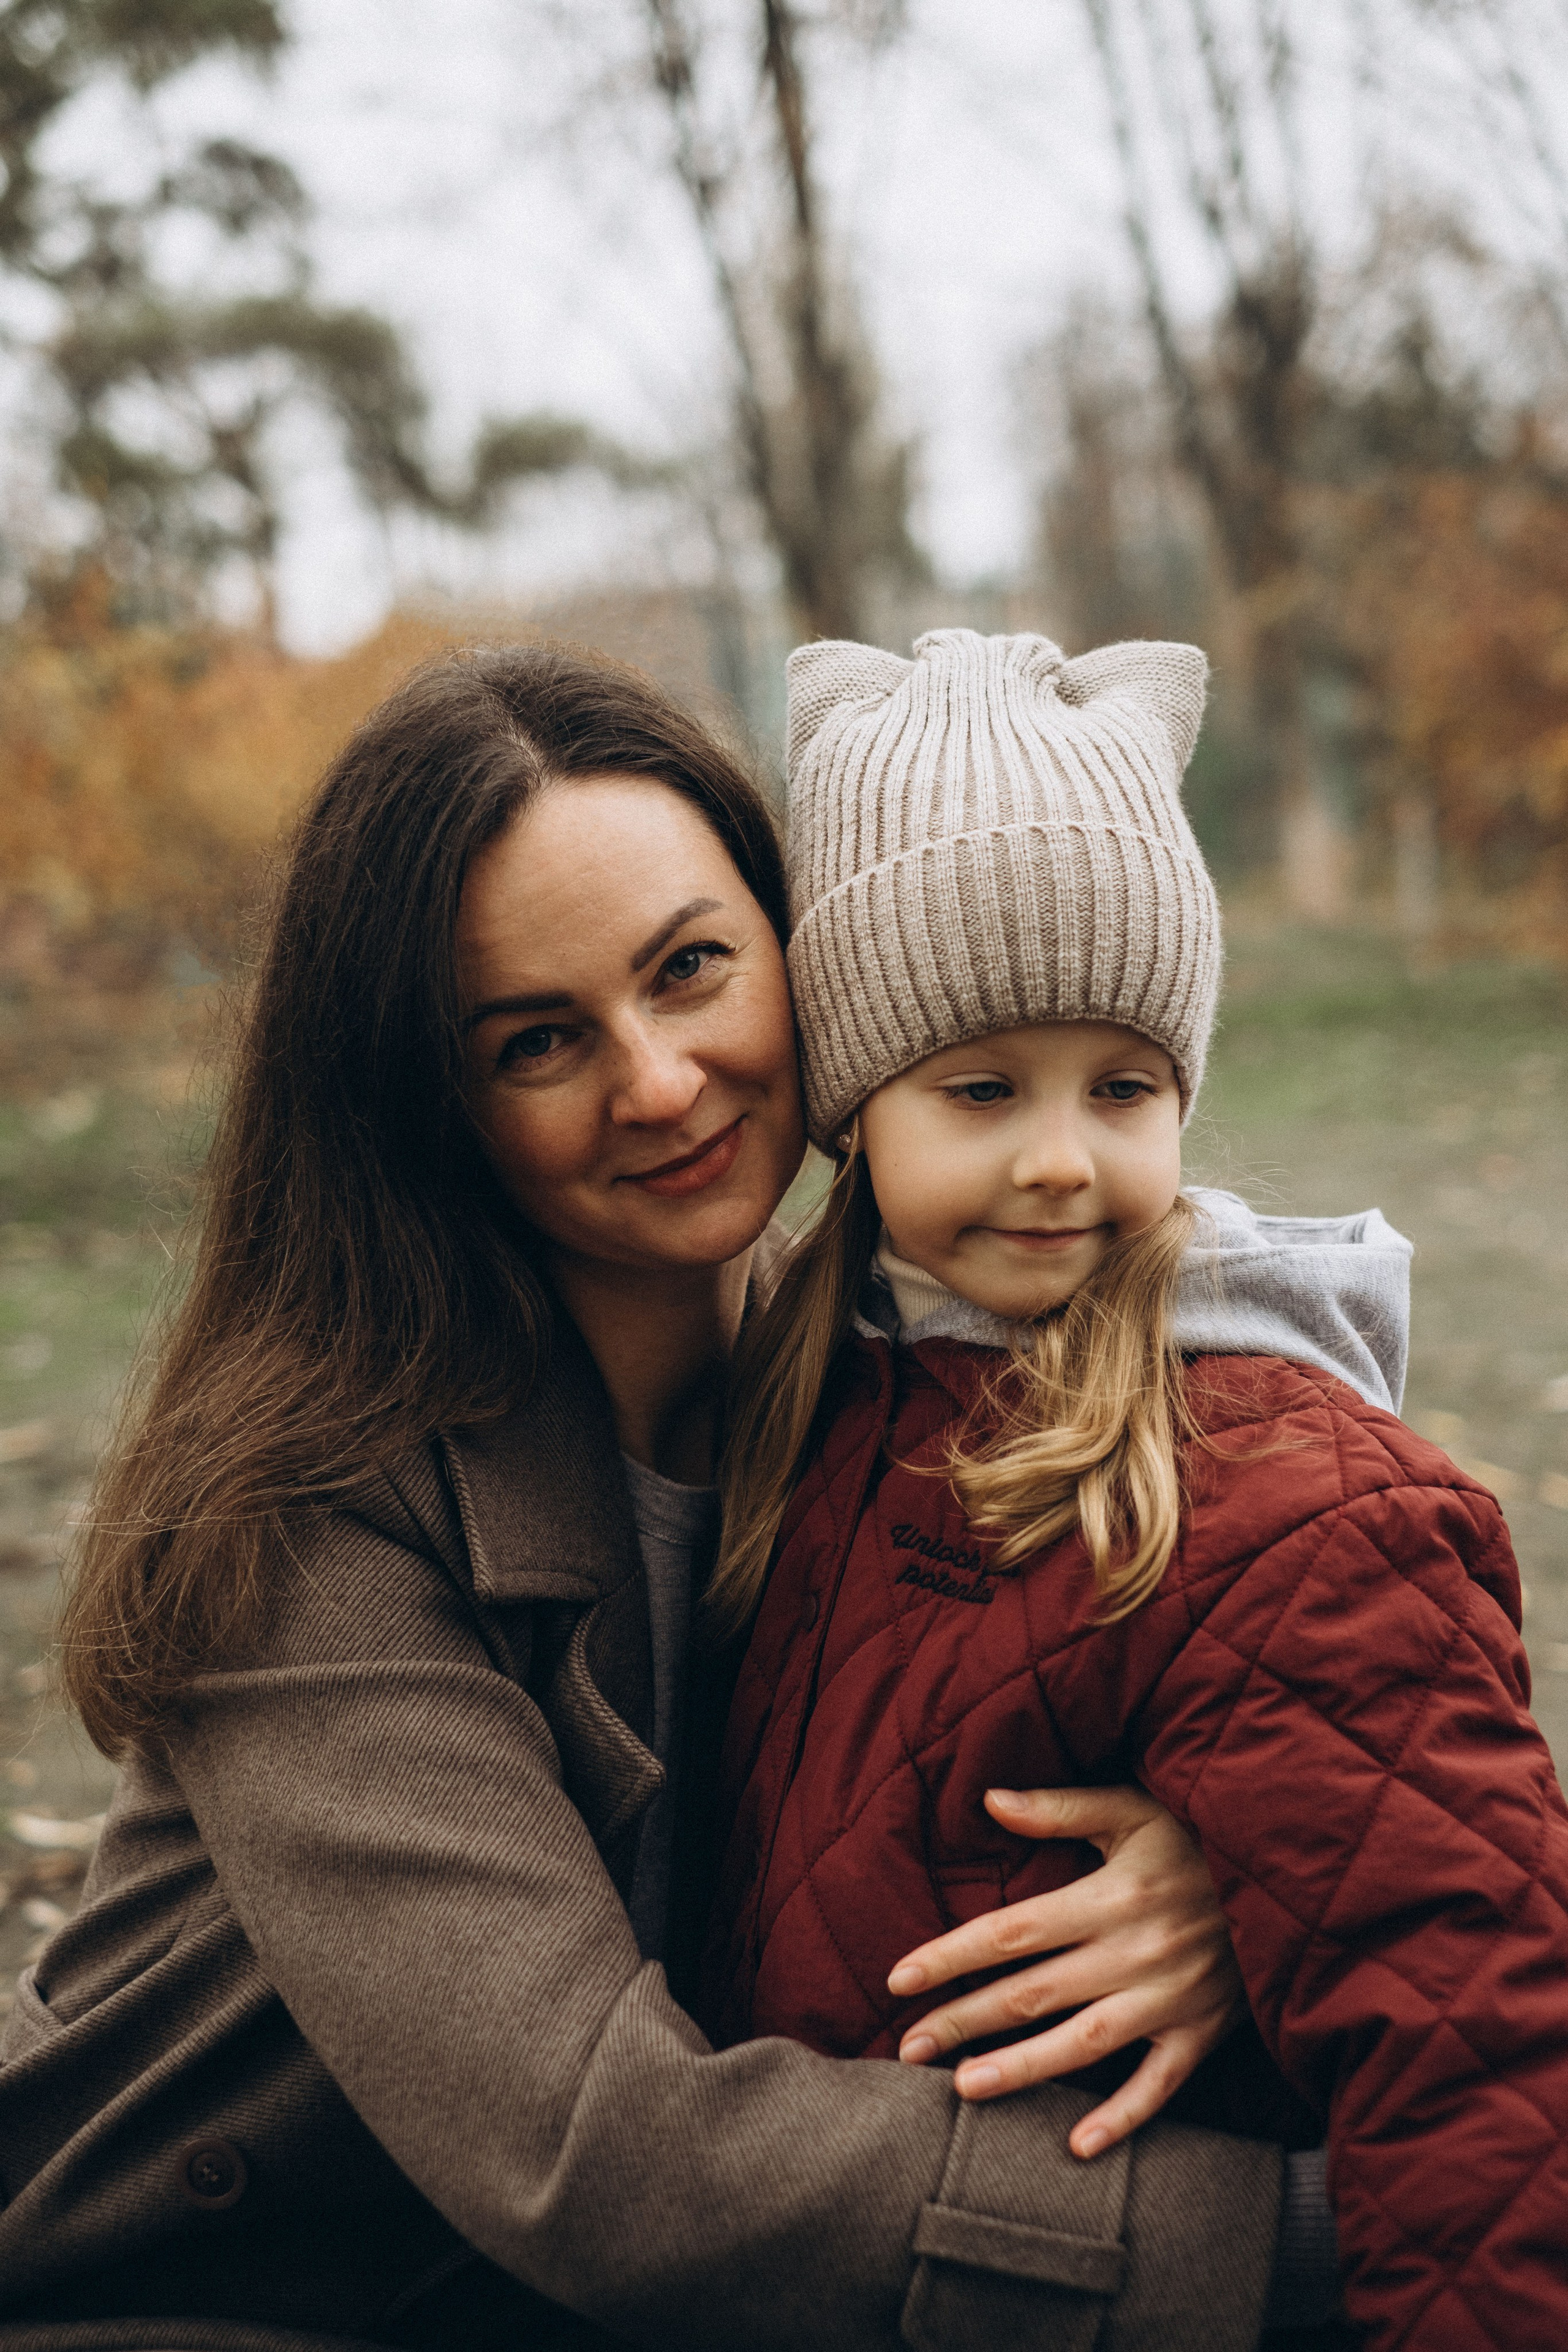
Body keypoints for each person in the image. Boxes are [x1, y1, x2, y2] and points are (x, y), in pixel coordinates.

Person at [2, 644, 1336, 2352]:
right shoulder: (311, 1512)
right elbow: (602, 2154)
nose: (656, 1081)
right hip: (208, 2297)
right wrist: (1308, 2250)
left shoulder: (902, 1367)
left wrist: (1230, 1875)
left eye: (692, 969)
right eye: (540, 1039)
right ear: (429, 1106)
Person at [701, 628, 1568, 2351]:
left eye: (1122, 1087)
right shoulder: (824, 1396)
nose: (1057, 1154)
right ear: (854, 1109)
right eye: (979, 1087)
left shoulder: (1292, 1509)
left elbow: (1473, 2058)